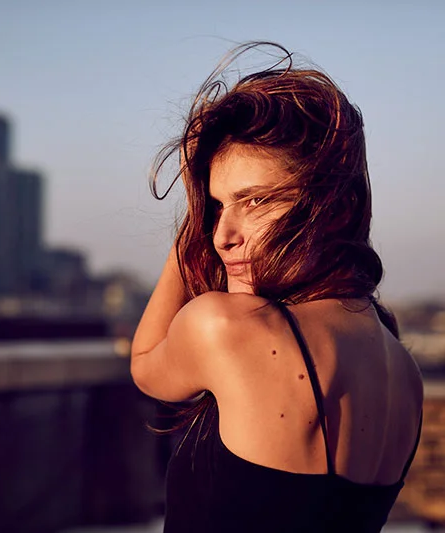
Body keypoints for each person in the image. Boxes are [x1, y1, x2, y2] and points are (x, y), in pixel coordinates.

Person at [131, 42, 424, 532]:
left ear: (336, 208)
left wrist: (190, 226)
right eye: (218, 207)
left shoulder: (225, 326)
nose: (222, 235)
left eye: (257, 201)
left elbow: (145, 366)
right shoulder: (404, 370)